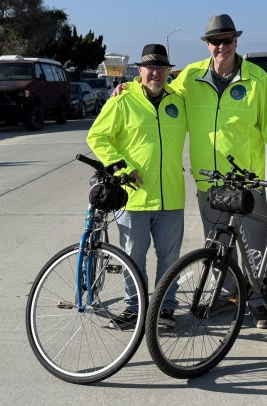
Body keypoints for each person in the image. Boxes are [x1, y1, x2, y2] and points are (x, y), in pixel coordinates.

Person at [112, 15, 267, 329]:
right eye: (215, 41)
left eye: (226, 40)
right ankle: (232, 295)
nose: (221, 46)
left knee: (254, 246)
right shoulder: (192, 76)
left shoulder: (256, 78)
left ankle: (256, 301)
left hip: (245, 179)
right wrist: (129, 87)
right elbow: (159, 88)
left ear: (237, 41)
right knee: (216, 246)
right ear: (208, 45)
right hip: (209, 181)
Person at [87, 44, 187, 329]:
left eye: (161, 67)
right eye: (149, 67)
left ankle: (165, 309)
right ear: (139, 71)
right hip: (133, 198)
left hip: (171, 196)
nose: (155, 72)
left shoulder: (179, 101)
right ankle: (135, 309)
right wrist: (121, 167)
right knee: (133, 258)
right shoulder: (123, 99)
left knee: (169, 259)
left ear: (168, 71)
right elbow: (97, 136)